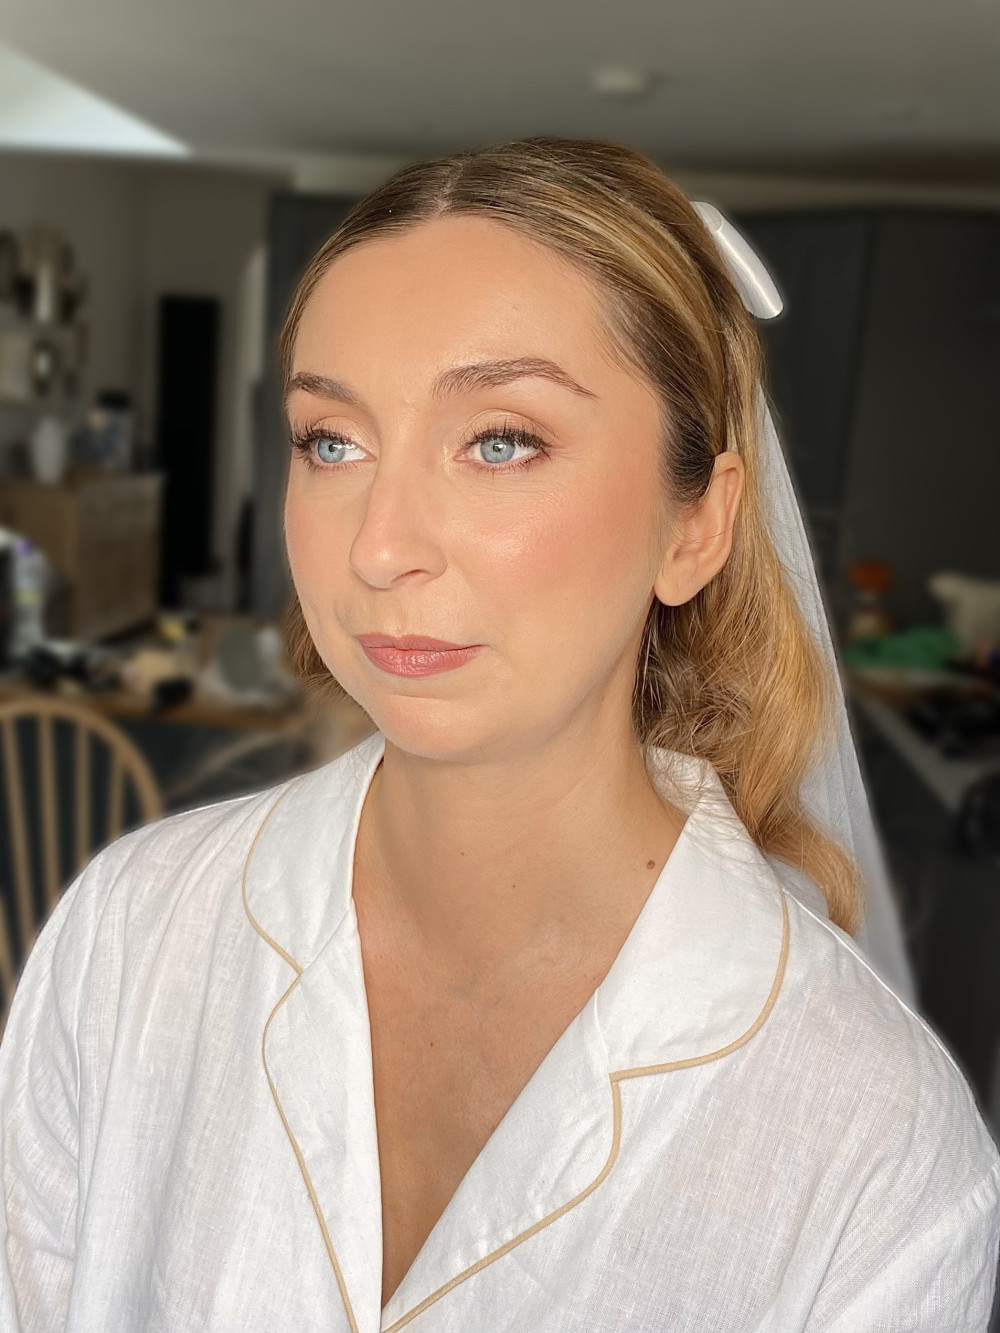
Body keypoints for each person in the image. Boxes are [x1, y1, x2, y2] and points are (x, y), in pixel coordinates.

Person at [0, 138, 997, 1333]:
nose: (379, 546)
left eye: (500, 440)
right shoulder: (131, 935)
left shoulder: (873, 1144)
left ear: (695, 526)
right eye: (332, 440)